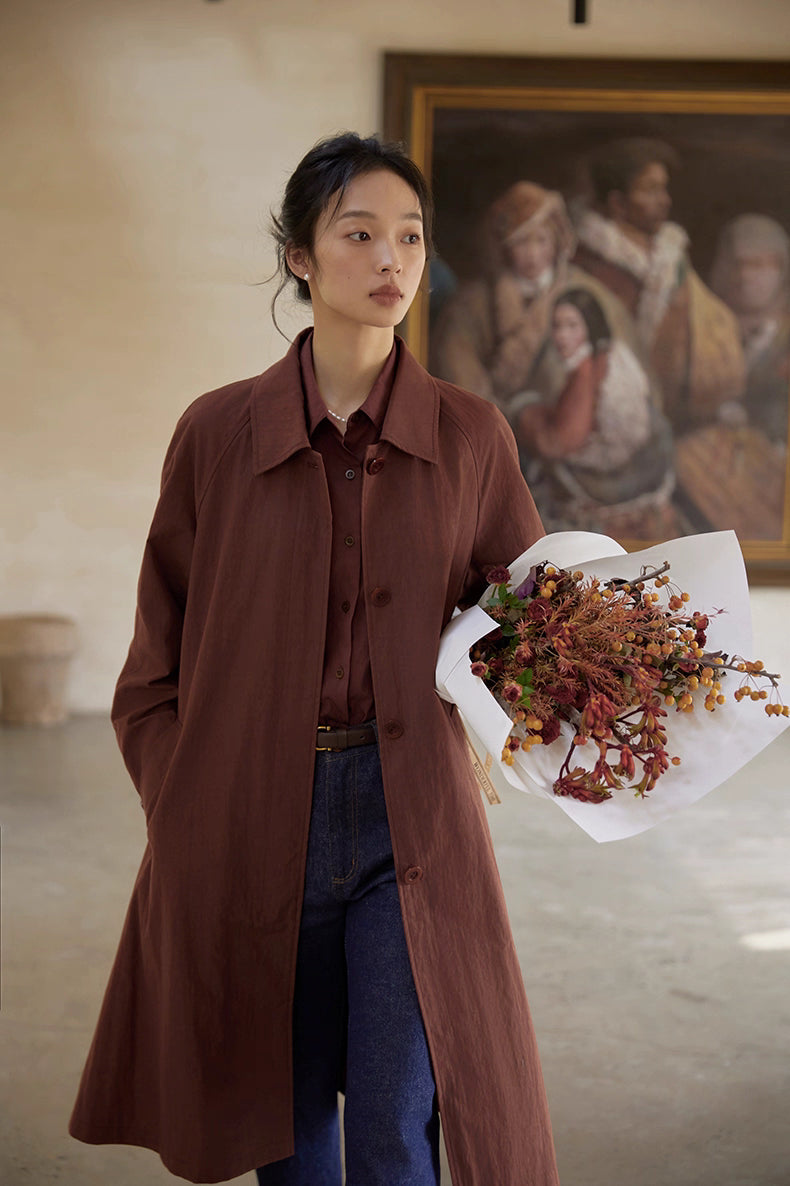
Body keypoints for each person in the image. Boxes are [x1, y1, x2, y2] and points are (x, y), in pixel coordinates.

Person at [68, 133, 560, 1186]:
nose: (392, 261)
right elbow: (154, 664)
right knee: (282, 1128)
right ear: (300, 255)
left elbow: (529, 629)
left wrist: (543, 702)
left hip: (409, 816)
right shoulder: (216, 434)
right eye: (360, 234)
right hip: (250, 817)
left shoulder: (470, 436)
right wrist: (185, 803)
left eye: (412, 238)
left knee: (395, 1113)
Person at [429, 180, 638, 429]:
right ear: (505, 246)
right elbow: (458, 375)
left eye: (541, 240)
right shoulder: (470, 305)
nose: (533, 254)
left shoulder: (589, 294)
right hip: (495, 434)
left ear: (557, 241)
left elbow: (621, 373)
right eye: (521, 241)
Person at [572, 137, 745, 433]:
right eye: (650, 190)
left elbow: (711, 323)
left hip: (685, 413)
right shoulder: (589, 267)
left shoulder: (672, 257)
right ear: (617, 203)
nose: (665, 199)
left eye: (663, 188)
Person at [518, 288, 675, 534]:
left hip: (608, 475)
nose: (561, 336)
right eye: (557, 326)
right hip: (638, 452)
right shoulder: (612, 351)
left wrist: (527, 417)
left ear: (590, 326)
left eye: (572, 326)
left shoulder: (586, 371)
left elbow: (561, 443)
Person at [709, 213, 790, 447]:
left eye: (758, 265)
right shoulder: (709, 328)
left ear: (781, 269)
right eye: (738, 264)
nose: (746, 276)